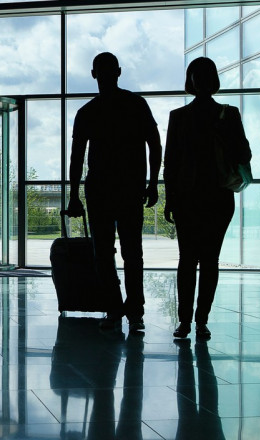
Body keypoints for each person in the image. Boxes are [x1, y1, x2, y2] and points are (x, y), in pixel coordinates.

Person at [67, 52, 162, 332]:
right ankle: (134, 311)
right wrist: (152, 183)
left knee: (104, 254)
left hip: (100, 191)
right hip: (129, 188)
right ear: (118, 72)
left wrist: (74, 195)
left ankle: (115, 309)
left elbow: (76, 157)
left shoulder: (87, 112)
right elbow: (154, 145)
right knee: (132, 252)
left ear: (93, 73)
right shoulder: (136, 104)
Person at [164, 57, 251, 339]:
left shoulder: (178, 117)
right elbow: (244, 155)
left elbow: (171, 163)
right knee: (210, 260)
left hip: (188, 197)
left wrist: (170, 199)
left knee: (187, 259)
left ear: (190, 81)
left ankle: (185, 322)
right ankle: (201, 321)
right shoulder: (229, 114)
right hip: (218, 196)